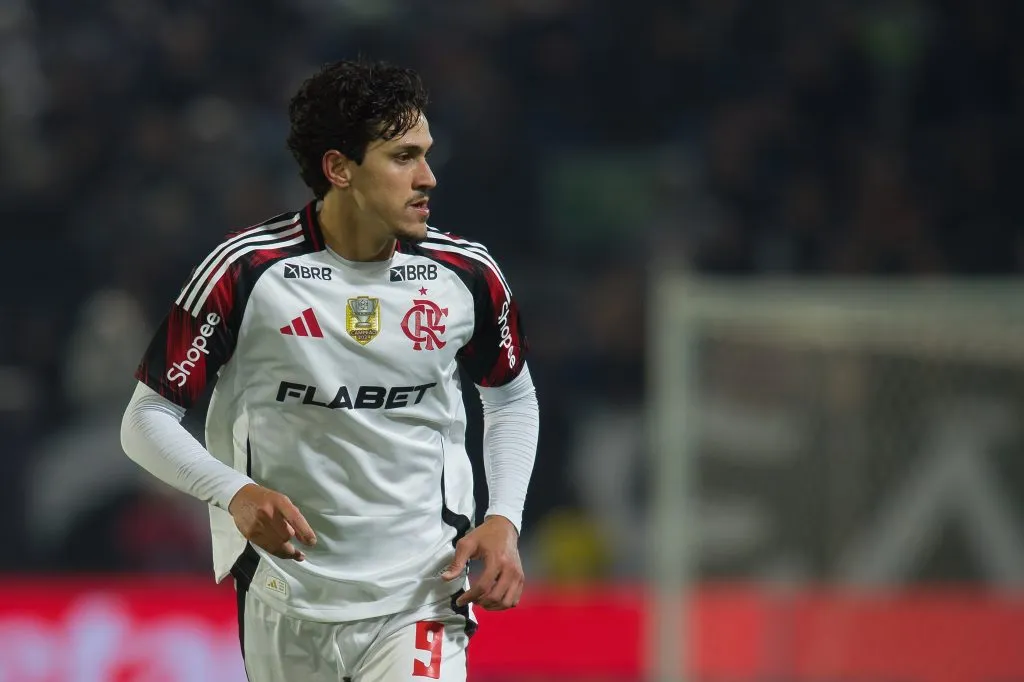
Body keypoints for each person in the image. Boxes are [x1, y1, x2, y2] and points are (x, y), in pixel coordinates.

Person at [120, 59, 539, 682]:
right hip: (284, 598)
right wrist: (232, 491)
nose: (428, 177)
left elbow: (511, 399)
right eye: (403, 157)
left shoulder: (466, 274)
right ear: (339, 169)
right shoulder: (246, 271)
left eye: (426, 154)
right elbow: (145, 418)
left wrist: (504, 516)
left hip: (421, 595)